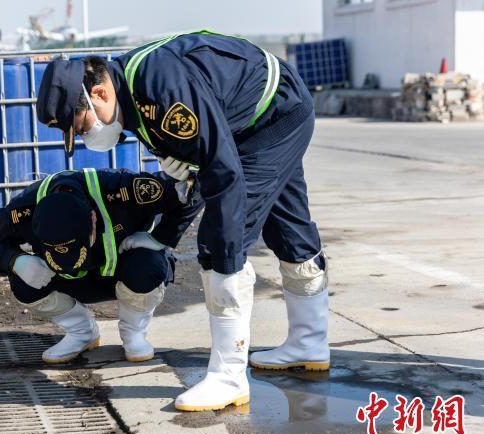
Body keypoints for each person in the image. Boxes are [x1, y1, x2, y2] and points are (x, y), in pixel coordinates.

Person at [35, 31, 329, 412]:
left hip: (272, 117)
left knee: (224, 240)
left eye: (81, 125)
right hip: (264, 115)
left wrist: (224, 261)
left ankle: (228, 377)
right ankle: (309, 344)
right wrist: (164, 237)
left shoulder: (160, 91)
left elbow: (221, 174)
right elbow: (192, 174)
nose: (85, 134)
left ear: (100, 94)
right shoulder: (133, 100)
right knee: (286, 227)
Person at [0, 168, 201, 364]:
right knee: (22, 282)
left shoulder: (124, 188)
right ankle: (81, 331)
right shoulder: (23, 209)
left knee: (148, 266)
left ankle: (134, 334)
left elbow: (194, 187)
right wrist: (16, 260)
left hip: (126, 272)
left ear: (93, 219)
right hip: (70, 282)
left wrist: (161, 238)